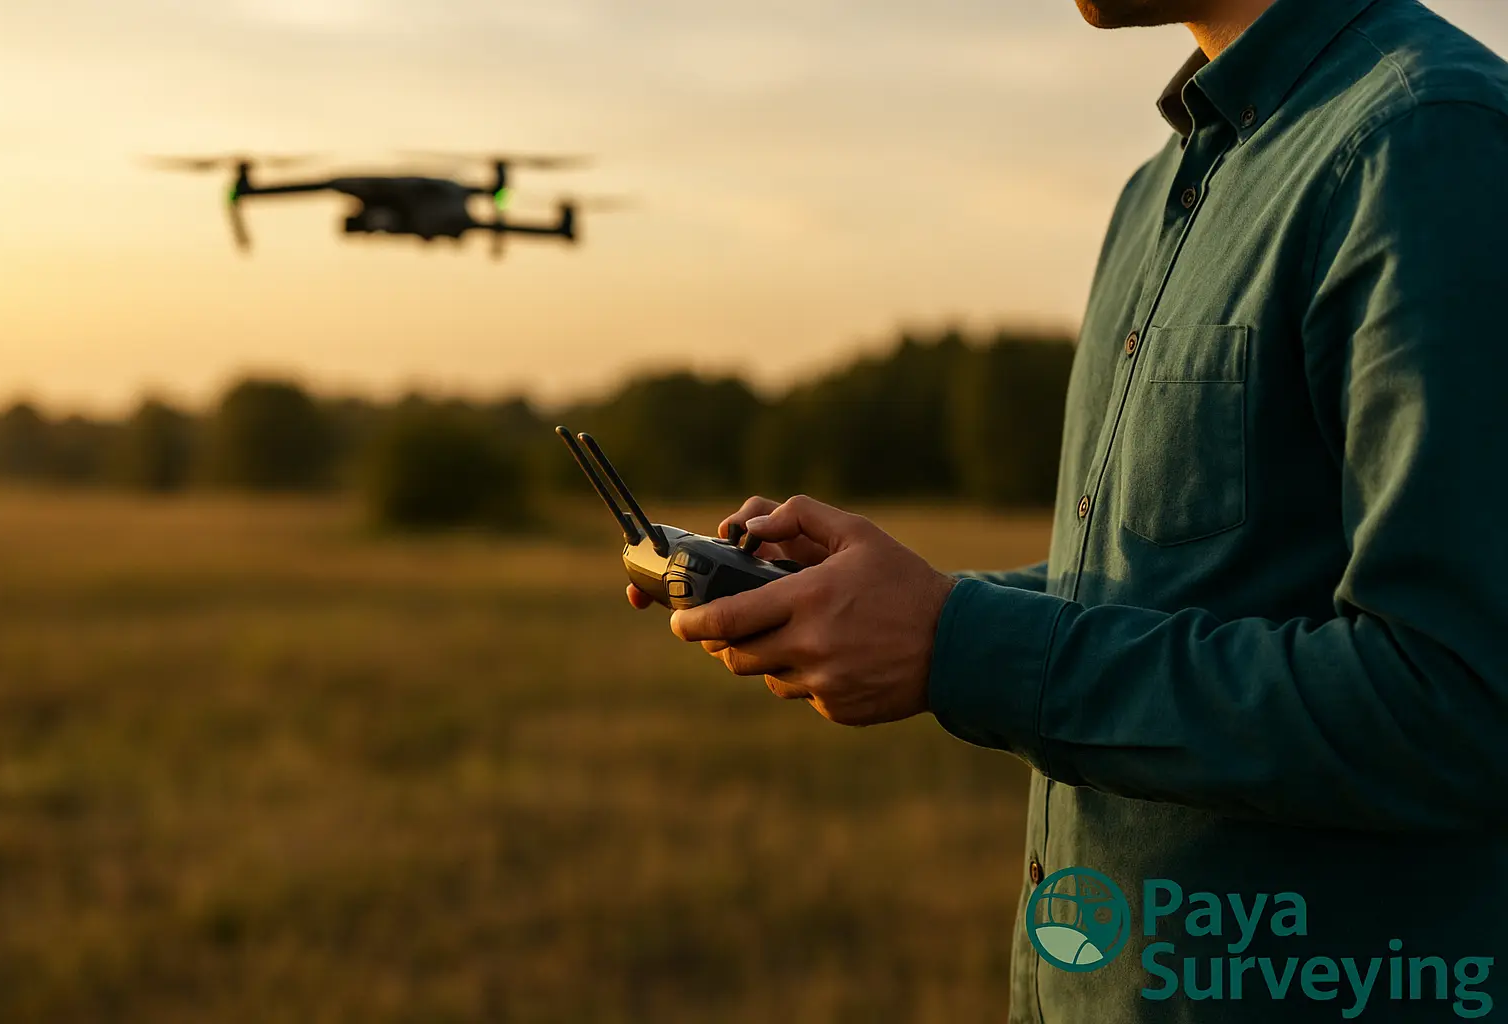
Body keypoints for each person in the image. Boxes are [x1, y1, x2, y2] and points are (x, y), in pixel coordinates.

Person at [630, 0, 1508, 1019]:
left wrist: (960, 644)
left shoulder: (1429, 140)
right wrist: (902, 604)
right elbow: (1179, 582)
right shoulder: (1159, 194)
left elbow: (1458, 701)